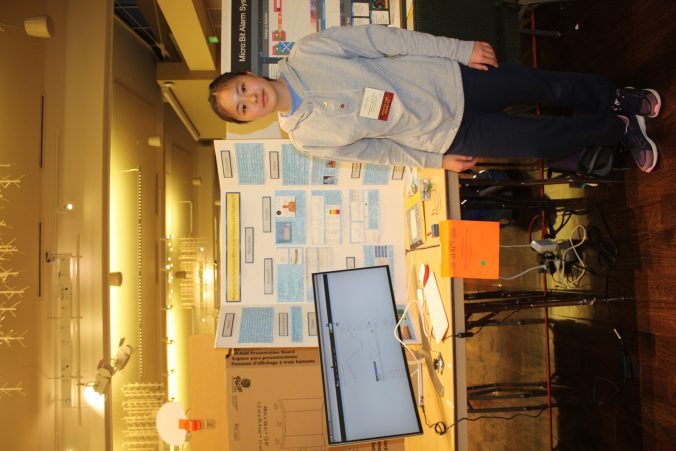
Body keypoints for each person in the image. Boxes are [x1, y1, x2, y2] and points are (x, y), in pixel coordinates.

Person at [208, 24, 661, 173]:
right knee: (541, 142)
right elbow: (377, 152)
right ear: (250, 121)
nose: (251, 99)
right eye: (242, 108)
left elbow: (386, 38)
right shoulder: (306, 139)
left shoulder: (309, 51)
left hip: (454, 79)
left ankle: (615, 97)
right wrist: (435, 160)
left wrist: (458, 50)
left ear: (248, 74)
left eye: (242, 88)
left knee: (543, 86)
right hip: (447, 133)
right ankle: (618, 129)